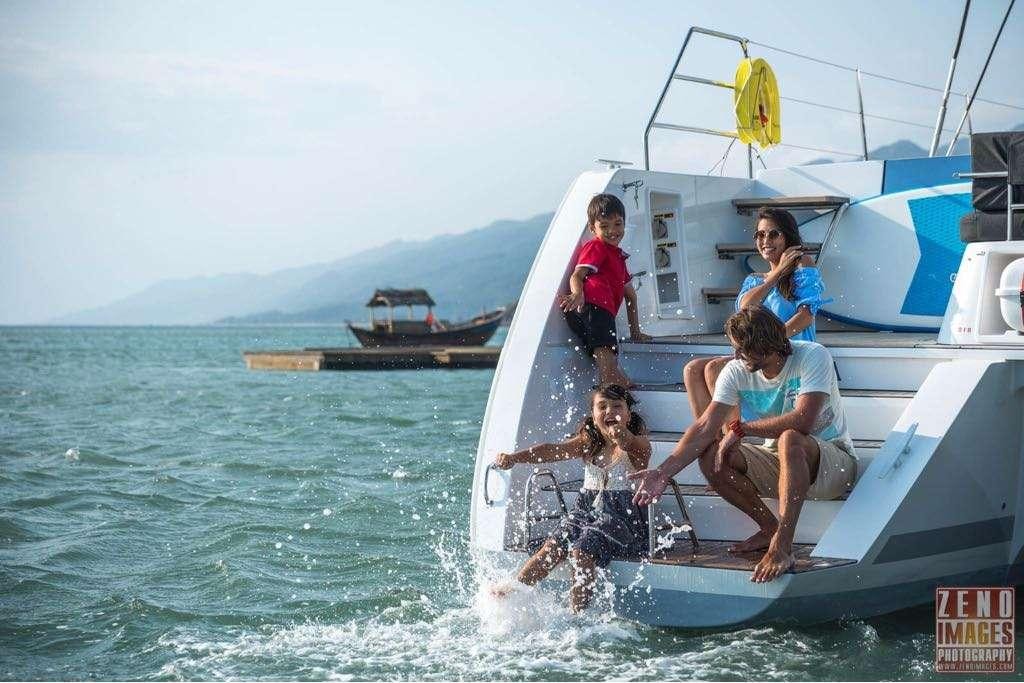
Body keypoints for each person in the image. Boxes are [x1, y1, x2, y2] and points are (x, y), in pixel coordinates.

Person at [630, 306, 856, 583]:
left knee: (790, 437)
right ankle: (768, 527)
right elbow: (704, 427)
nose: (735, 355)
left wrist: (742, 429)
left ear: (765, 346)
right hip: (781, 460)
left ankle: (782, 547)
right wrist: (662, 472)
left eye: (742, 349)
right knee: (712, 454)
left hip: (833, 465)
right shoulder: (737, 370)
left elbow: (803, 421)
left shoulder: (812, 354)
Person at [491, 384, 650, 612]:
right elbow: (550, 450)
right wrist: (515, 457)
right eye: (602, 407)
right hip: (585, 511)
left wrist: (621, 434)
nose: (609, 411)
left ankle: (577, 613)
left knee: (582, 549)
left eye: (617, 407)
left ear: (628, 414)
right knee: (554, 544)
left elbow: (629, 442)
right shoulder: (589, 443)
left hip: (621, 518)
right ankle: (515, 589)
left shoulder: (639, 444)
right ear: (593, 416)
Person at [682, 206, 831, 423]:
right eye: (760, 235)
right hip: (759, 356)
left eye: (773, 234)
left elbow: (806, 316)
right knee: (693, 369)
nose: (766, 240)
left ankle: (731, 441)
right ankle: (710, 444)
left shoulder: (803, 264)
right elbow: (745, 309)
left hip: (789, 354)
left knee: (714, 368)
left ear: (788, 237)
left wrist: (771, 344)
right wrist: (776, 273)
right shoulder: (755, 279)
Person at [559, 194, 652, 387]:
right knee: (606, 363)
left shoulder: (618, 257)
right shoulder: (596, 246)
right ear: (593, 228)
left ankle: (618, 386)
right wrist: (577, 294)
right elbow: (577, 275)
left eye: (618, 224)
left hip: (603, 314)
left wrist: (636, 331)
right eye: (604, 226)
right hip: (593, 309)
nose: (612, 231)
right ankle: (607, 393)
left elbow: (631, 297)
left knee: (610, 360)